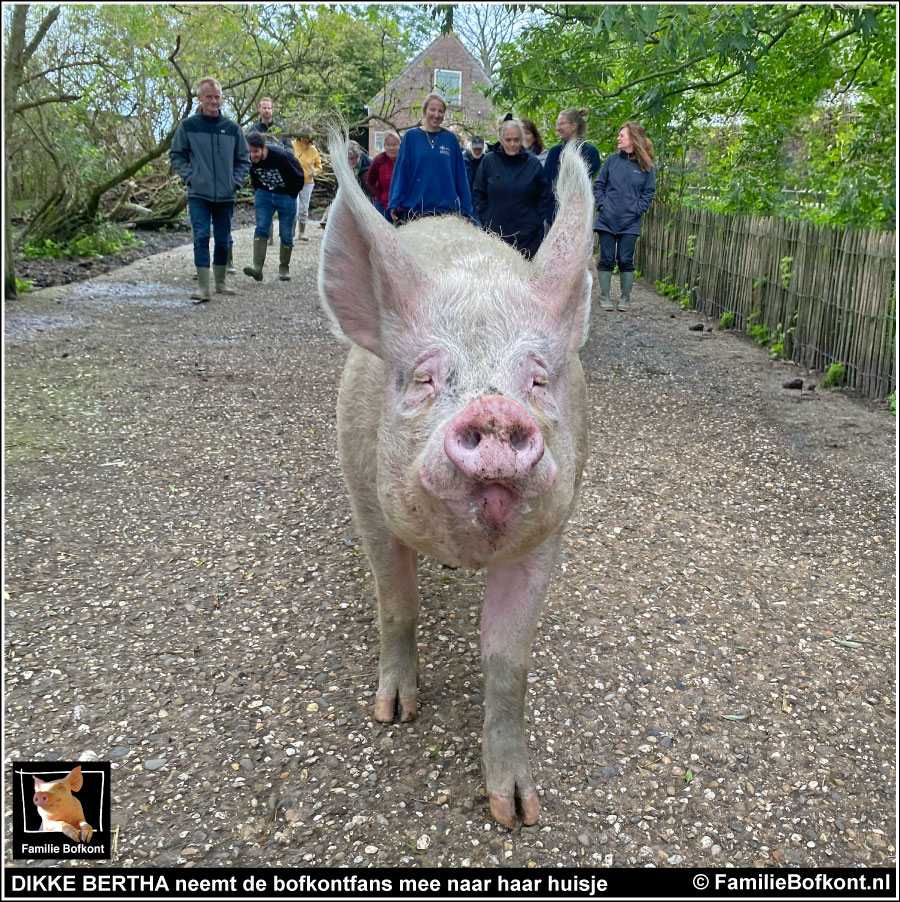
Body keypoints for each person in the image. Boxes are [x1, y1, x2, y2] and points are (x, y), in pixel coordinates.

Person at [169, 77, 250, 303]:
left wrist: (235, 181)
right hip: (199, 193)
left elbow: (243, 160)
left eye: (217, 97)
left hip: (226, 194)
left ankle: (221, 281)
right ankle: (203, 287)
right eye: (209, 97)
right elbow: (176, 155)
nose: (214, 101)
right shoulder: (188, 126)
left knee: (223, 239)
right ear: (200, 98)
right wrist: (190, 177)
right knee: (202, 236)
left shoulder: (232, 129)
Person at [594, 122, 657, 312]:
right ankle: (605, 297)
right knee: (606, 258)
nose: (618, 138)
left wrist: (638, 209)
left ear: (633, 139)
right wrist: (602, 205)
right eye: (619, 135)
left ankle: (624, 299)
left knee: (624, 259)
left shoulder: (646, 167)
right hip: (606, 219)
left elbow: (649, 192)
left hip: (631, 221)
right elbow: (599, 185)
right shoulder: (611, 161)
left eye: (622, 135)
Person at [472, 116, 551, 260]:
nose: (513, 144)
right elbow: (478, 193)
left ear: (522, 140)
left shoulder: (533, 165)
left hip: (527, 239)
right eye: (508, 140)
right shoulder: (488, 161)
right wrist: (487, 221)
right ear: (501, 140)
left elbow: (544, 198)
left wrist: (533, 225)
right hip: (495, 236)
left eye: (516, 139)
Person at [387, 93, 474, 223]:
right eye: (432, 110)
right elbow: (401, 171)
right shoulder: (411, 137)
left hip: (446, 212)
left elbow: (460, 175)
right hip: (416, 211)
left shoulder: (450, 139)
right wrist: (394, 202)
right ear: (424, 110)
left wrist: (467, 207)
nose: (436, 114)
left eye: (440, 111)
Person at [242, 131, 305, 283]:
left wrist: (291, 194)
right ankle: (257, 267)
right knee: (261, 228)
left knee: (286, 233)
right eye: (249, 152)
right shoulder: (249, 159)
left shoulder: (281, 156)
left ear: (263, 148)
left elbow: (299, 176)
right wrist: (258, 190)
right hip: (264, 194)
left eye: (255, 151)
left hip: (285, 196)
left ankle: (284, 267)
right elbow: (254, 177)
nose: (253, 155)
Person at [543, 108, 601, 227]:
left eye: (561, 123)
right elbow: (546, 186)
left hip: (579, 219)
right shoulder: (554, 152)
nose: (557, 128)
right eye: (556, 124)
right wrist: (552, 216)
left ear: (573, 126)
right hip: (554, 219)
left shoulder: (591, 153)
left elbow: (583, 187)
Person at [291, 128, 323, 241]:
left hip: (308, 183)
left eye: (308, 137)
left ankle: (302, 232)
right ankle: (291, 233)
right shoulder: (292, 145)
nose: (305, 139)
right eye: (304, 136)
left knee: (304, 208)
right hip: (293, 181)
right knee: (294, 207)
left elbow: (319, 166)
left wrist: (315, 172)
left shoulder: (313, 150)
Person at [366, 131, 400, 221]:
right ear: (384, 146)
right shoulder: (379, 160)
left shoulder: (405, 160)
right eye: (388, 145)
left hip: (403, 206)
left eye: (394, 144)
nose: (391, 148)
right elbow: (370, 181)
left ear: (400, 145)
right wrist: (379, 196)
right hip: (384, 205)